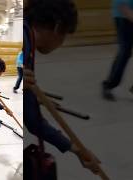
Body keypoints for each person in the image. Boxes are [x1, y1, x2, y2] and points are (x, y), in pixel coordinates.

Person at [24, 0, 100, 175]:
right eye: (64, 36)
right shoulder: (25, 42)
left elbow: (33, 120)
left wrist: (77, 150)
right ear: (58, 27)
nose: (62, 43)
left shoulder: (27, 39)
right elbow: (33, 120)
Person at [102, 0, 133, 100]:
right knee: (125, 51)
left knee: (125, 51)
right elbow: (122, 5)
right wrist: (128, 12)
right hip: (123, 16)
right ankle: (109, 85)